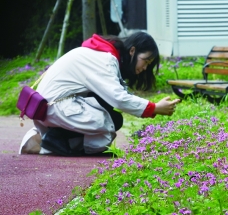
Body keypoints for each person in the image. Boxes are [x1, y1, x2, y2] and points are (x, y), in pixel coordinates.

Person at [19, 32, 180, 156]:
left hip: (49, 107)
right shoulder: (106, 59)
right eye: (146, 61)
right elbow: (118, 98)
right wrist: (155, 108)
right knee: (107, 127)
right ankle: (54, 140)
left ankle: (43, 137)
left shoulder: (101, 53)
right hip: (56, 107)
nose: (145, 68)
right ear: (132, 51)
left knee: (113, 117)